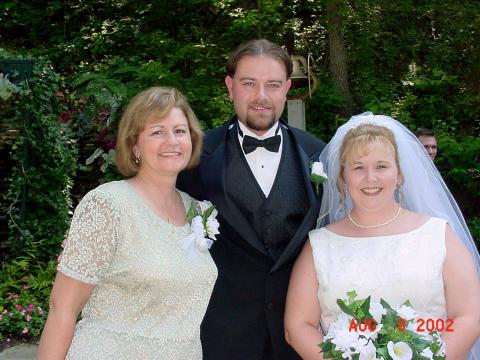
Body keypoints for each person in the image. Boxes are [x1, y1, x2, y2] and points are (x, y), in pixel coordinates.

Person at [37, 87, 217, 359]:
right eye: (157, 132)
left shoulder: (196, 209)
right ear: (135, 146)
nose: (172, 141)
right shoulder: (108, 205)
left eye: (180, 131)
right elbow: (62, 307)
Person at [284, 112, 480, 360]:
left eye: (381, 166)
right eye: (358, 167)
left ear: (398, 174)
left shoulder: (438, 234)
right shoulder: (319, 244)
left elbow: (469, 316)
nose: (371, 178)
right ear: (343, 178)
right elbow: (298, 327)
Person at [177, 39, 326, 360]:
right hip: (222, 336)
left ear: (287, 88)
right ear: (230, 86)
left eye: (272, 85)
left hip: (299, 339)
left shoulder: (319, 154)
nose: (261, 96)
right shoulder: (195, 157)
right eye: (249, 84)